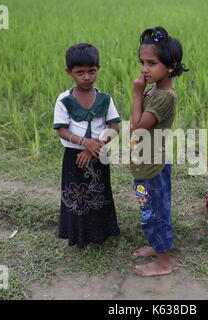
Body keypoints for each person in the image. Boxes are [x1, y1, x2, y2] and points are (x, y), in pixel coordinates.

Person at [130, 26, 188, 276]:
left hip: (152, 167)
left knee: (154, 213)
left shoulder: (165, 96)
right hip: (146, 163)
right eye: (142, 62)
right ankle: (158, 247)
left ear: (171, 65)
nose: (145, 69)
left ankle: (164, 264)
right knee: (151, 208)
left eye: (152, 63)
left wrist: (135, 94)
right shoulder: (155, 89)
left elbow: (137, 127)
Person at [53, 43, 121, 249]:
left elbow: (114, 126)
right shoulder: (64, 100)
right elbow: (62, 130)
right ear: (69, 73)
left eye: (91, 71)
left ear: (98, 69)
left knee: (99, 195)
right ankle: (79, 236)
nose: (86, 77)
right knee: (76, 196)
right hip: (74, 158)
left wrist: (96, 147)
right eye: (80, 72)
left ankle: (98, 236)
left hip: (99, 156)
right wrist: (84, 143)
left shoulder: (104, 98)